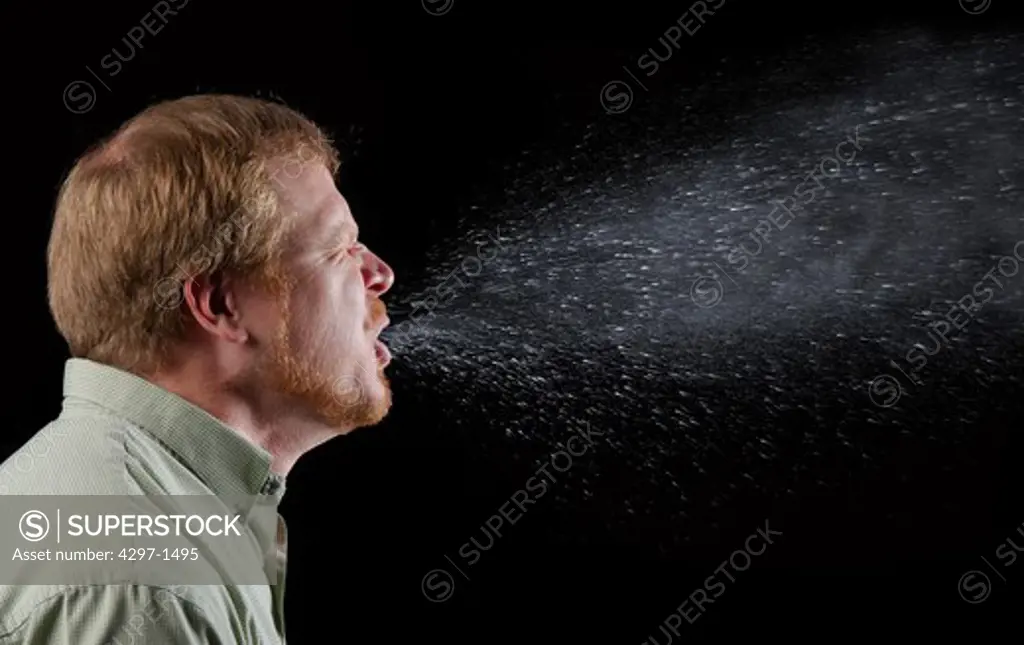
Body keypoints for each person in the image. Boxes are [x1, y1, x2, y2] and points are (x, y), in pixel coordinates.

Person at [0, 94, 395, 644]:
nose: (380, 274)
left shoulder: (150, 517)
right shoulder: (146, 584)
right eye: (340, 250)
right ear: (220, 306)